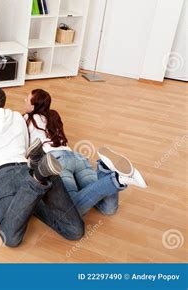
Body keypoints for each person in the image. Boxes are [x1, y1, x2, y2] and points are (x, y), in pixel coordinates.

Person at [0, 84, 85, 247]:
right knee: (75, 231)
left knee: (10, 238)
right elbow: (25, 145)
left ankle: (38, 179)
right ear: (4, 103)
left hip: (2, 176)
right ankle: (42, 174)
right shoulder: (17, 116)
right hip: (26, 168)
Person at [23, 88, 147, 217]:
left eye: (27, 99)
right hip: (77, 157)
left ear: (33, 107)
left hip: (56, 162)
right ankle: (108, 173)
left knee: (72, 211)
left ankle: (115, 178)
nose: (24, 100)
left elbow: (25, 146)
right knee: (107, 209)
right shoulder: (54, 115)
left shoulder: (27, 117)